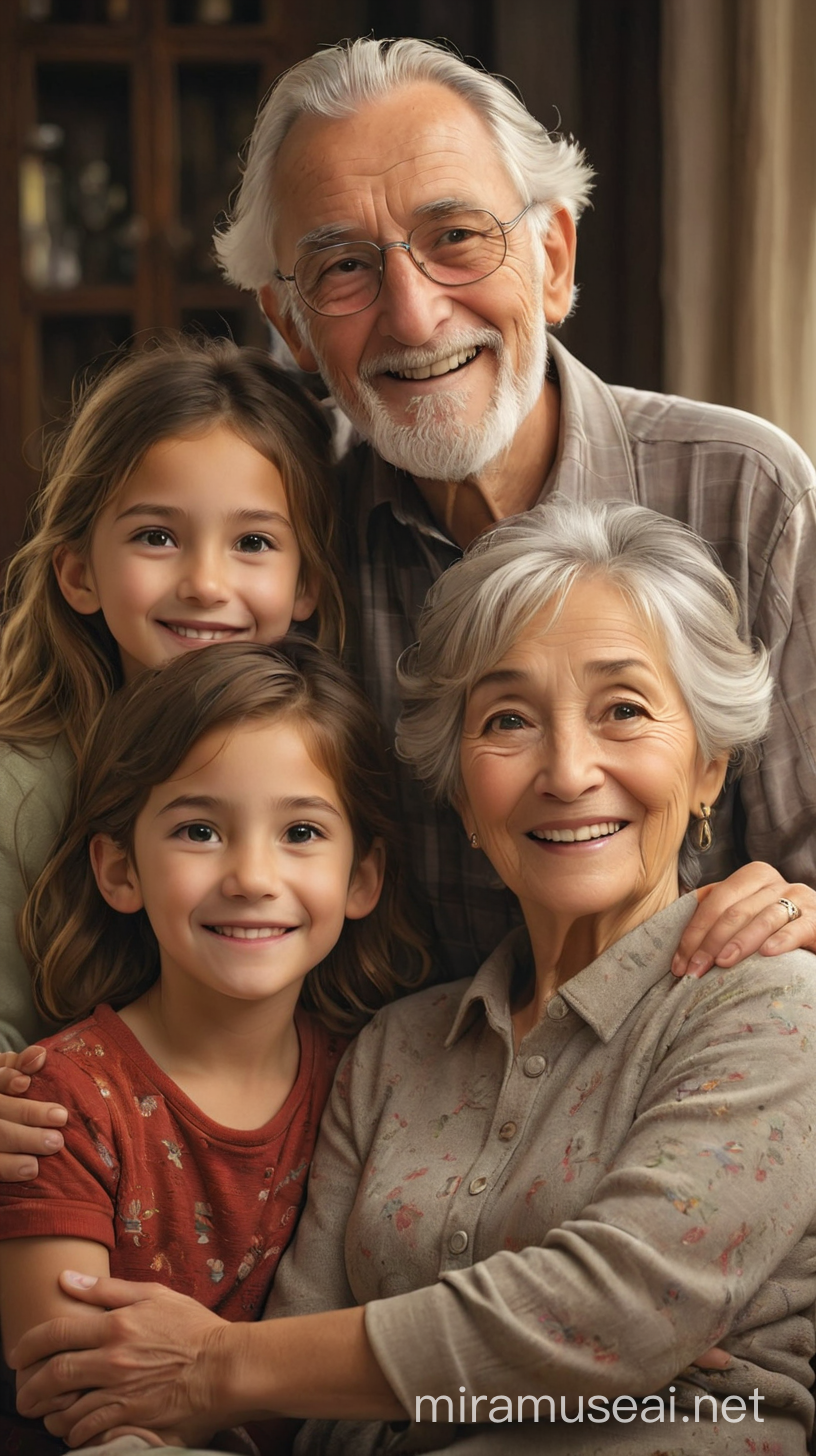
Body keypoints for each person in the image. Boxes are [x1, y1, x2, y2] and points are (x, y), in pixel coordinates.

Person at [12, 500, 816, 1455]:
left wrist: (220, 1365)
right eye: (508, 720)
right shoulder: (395, 1049)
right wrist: (553, 1382)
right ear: (464, 796)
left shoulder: (767, 1001)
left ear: (710, 770)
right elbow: (308, 1420)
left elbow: (615, 1315)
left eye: (625, 711)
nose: (566, 771)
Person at [218, 34, 816, 978]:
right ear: (289, 325)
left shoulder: (747, 493)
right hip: (395, 1097)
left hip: (688, 1072)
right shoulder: (274, 525)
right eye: (343, 269)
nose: (413, 316)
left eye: (455, 237)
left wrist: (798, 909)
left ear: (553, 256)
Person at [0, 637, 425, 1454]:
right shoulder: (61, 1101)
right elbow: (70, 1386)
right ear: (120, 870)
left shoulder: (375, 1077)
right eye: (199, 831)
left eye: (302, 831)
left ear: (362, 879)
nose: (252, 876)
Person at [0, 332, 345, 1065]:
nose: (206, 584)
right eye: (157, 536)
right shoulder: (19, 791)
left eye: (253, 543)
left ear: (307, 583)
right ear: (78, 573)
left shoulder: (333, 752)